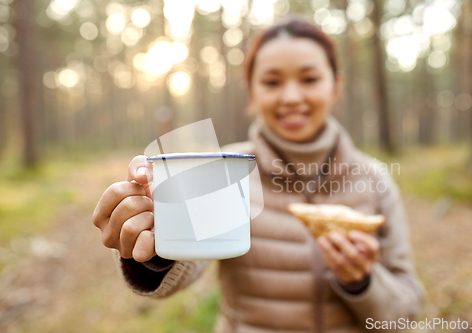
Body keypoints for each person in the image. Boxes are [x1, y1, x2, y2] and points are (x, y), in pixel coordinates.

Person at [93, 18, 425, 333]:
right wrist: (156, 242)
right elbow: (184, 270)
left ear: (336, 86)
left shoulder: (374, 178)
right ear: (250, 90)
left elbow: (404, 314)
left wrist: (363, 282)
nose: (291, 97)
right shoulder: (223, 170)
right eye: (271, 81)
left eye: (309, 79)